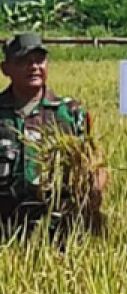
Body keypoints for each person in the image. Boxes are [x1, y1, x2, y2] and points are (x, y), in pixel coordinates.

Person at [0, 33, 105, 236]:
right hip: (4, 230)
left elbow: (97, 165)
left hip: (58, 232)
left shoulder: (70, 113)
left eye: (39, 60)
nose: (34, 67)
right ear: (6, 69)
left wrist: (94, 192)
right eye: (24, 61)